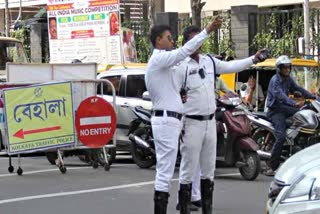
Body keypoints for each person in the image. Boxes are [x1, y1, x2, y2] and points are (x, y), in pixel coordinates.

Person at [177, 25, 267, 214]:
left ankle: (206, 208)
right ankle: (185, 206)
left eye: (200, 40)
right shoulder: (180, 67)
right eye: (195, 40)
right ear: (187, 43)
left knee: (208, 169)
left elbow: (231, 66)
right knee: (188, 167)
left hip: (210, 122)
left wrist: (253, 59)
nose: (199, 44)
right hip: (191, 122)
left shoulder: (208, 61)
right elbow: (174, 95)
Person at [145, 17, 223, 214]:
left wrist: (179, 96)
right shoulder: (159, 58)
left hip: (173, 120)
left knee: (168, 170)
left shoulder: (165, 64)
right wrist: (206, 31)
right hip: (166, 120)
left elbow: (171, 89)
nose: (172, 41)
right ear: (158, 40)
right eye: (168, 38)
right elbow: (184, 52)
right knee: (165, 172)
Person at [264, 55, 318, 176]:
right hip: (275, 110)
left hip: (286, 108)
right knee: (281, 136)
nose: (287, 70)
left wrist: (313, 97)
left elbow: (297, 88)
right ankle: (272, 167)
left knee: (304, 114)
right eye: (285, 68)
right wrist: (293, 103)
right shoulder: (275, 80)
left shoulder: (288, 79)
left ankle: (297, 140)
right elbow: (280, 96)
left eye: (289, 67)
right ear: (279, 68)